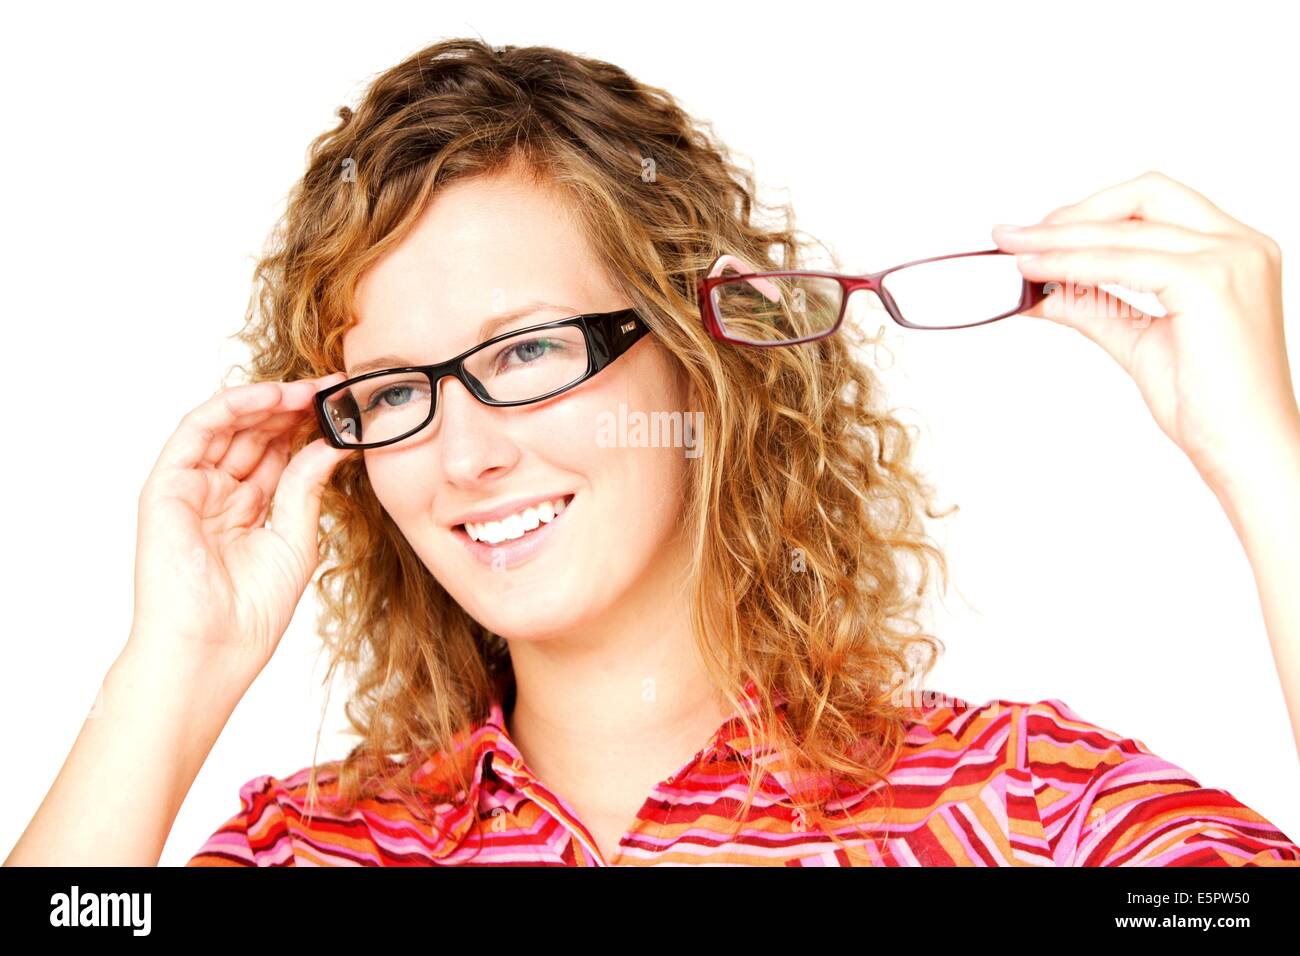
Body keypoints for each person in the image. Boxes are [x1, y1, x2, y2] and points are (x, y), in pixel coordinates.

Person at [6, 39, 1299, 868]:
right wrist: (174, 668)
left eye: (523, 355)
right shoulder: (318, 850)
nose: (463, 456)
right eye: (396, 390)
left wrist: (1264, 464)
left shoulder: (1025, 810)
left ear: (703, 347)